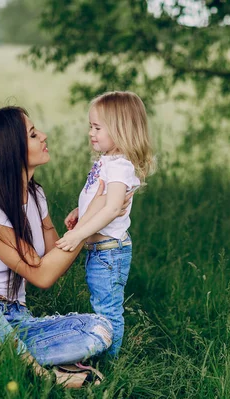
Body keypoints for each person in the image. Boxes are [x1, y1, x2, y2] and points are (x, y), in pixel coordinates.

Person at [0, 106, 131, 387]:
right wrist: (92, 220)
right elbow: (41, 276)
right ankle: (40, 373)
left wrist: (89, 223)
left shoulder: (35, 195)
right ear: (10, 150)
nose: (44, 136)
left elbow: (53, 263)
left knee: (100, 329)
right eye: (33, 134)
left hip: (14, 321)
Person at [56, 91, 155, 357]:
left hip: (109, 252)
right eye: (91, 126)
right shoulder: (107, 161)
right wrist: (81, 210)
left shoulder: (120, 166)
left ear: (121, 130)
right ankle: (100, 352)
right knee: (100, 304)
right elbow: (101, 198)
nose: (91, 133)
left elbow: (112, 208)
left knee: (108, 309)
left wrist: (77, 235)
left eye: (98, 127)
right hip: (101, 251)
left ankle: (109, 363)